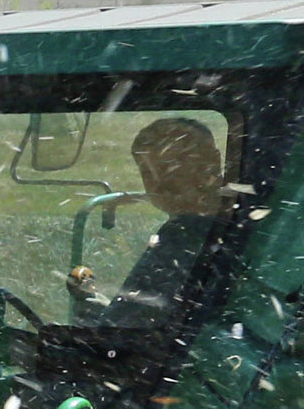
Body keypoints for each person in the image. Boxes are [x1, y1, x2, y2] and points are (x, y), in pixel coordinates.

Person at [76, 116, 228, 328]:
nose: (158, 183)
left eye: (170, 167)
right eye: (148, 172)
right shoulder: (198, 225)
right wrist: (106, 309)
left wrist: (105, 322)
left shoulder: (187, 234)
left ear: (211, 163)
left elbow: (136, 327)